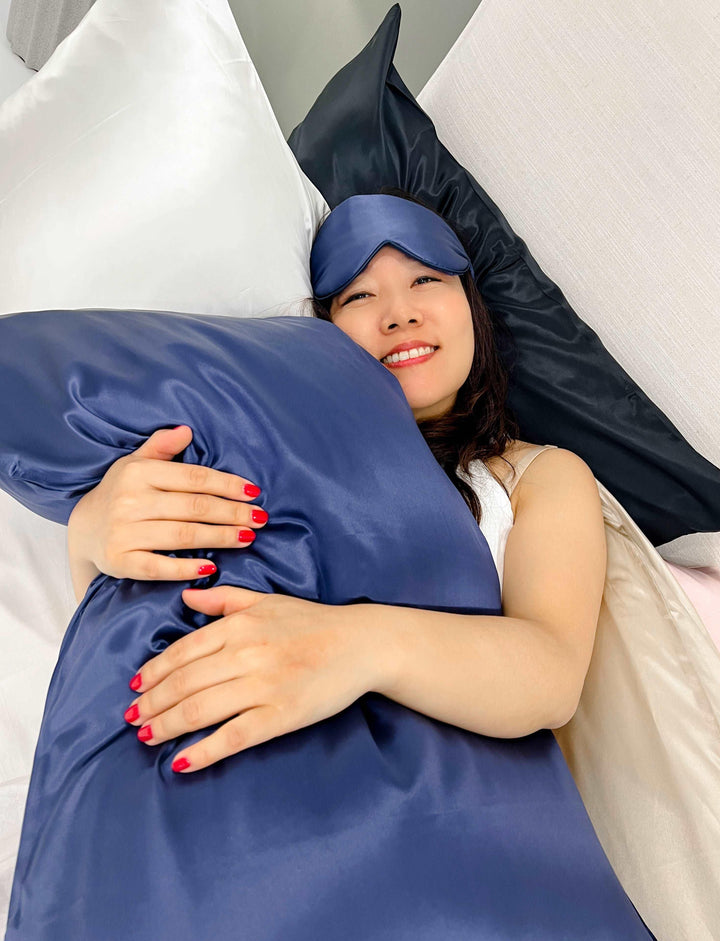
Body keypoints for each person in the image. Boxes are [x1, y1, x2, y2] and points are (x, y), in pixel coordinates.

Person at [66, 188, 607, 770]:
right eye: (361, 295)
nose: (400, 313)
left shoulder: (537, 478)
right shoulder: (269, 452)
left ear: (473, 305)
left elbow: (552, 676)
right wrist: (88, 537)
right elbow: (145, 633)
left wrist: (348, 644)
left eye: (426, 280)